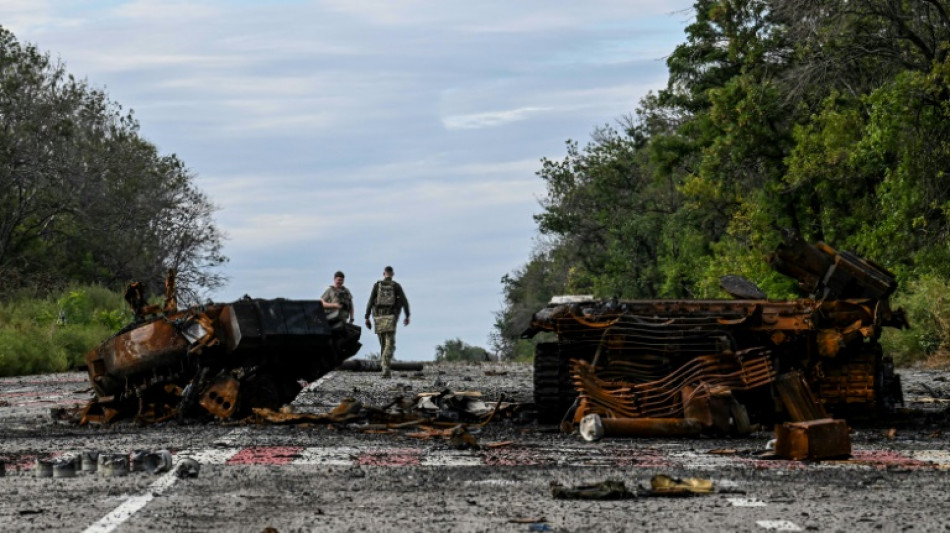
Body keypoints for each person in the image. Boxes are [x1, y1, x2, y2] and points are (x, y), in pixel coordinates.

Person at [364, 265, 410, 378]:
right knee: (389, 344)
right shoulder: (396, 286)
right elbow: (404, 301)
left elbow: (370, 300)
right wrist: (407, 315)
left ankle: (384, 367)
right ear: (392, 274)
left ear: (383, 273)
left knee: (383, 343)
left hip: (378, 317)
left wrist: (367, 317)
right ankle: (385, 369)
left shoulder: (377, 285)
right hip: (391, 317)